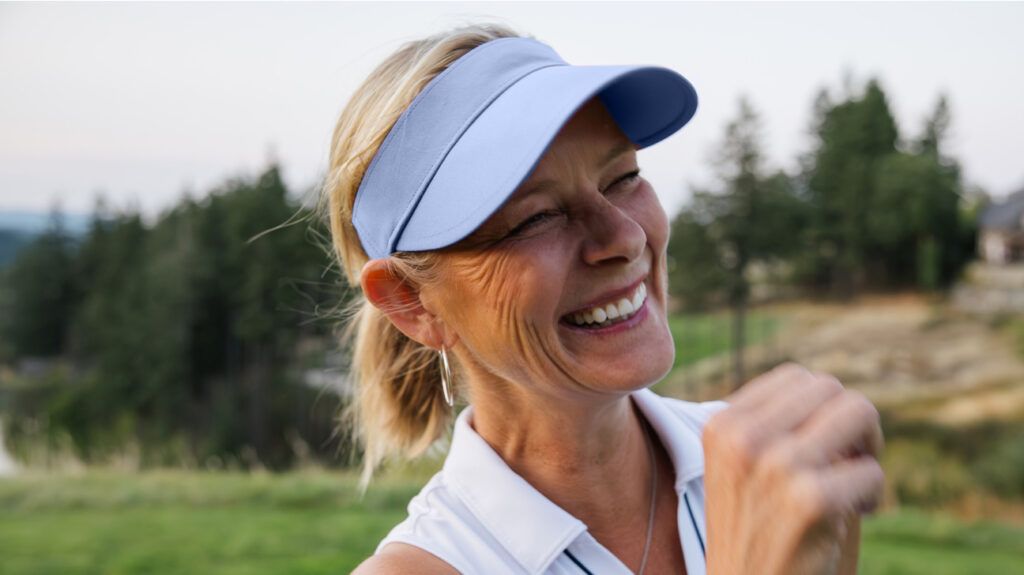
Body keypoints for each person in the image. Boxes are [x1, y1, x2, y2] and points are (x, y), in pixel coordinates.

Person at [322, 23, 886, 575]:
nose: (625, 237)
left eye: (623, 178)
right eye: (535, 218)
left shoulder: (775, 469)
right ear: (411, 302)